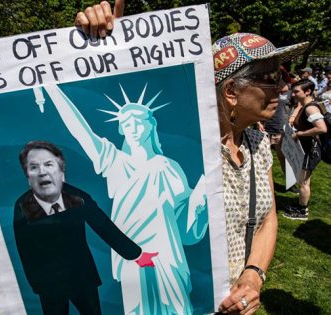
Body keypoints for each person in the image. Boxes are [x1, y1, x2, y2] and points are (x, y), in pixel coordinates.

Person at [74, 2, 309, 314]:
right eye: (269, 78)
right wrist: (108, 41)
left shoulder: (257, 141)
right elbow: (120, 99)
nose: (283, 87)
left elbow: (267, 219)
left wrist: (253, 275)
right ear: (231, 91)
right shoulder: (185, 149)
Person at [43, 82, 209, 314]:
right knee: (138, 309)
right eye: (126, 124)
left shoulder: (168, 166)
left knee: (177, 308)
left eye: (137, 122)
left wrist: (198, 204)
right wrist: (52, 90)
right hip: (133, 249)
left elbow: (184, 222)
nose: (132, 128)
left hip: (166, 251)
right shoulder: (114, 161)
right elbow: (81, 131)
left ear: (150, 126)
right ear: (121, 129)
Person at [14, 141, 157, 315]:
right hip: (49, 284)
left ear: (61, 173)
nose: (42, 171)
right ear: (28, 177)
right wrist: (38, 284)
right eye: (34, 167)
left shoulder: (78, 198)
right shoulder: (23, 207)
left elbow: (104, 227)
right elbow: (25, 250)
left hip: (81, 276)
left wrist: (137, 255)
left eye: (49, 164)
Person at [283, 79, 327, 220]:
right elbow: (298, 111)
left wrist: (299, 134)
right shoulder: (305, 105)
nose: (293, 94)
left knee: (303, 181)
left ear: (307, 91)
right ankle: (301, 204)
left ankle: (302, 211)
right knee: (304, 180)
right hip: (307, 149)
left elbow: (322, 128)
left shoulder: (310, 108)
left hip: (310, 150)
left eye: (296, 92)